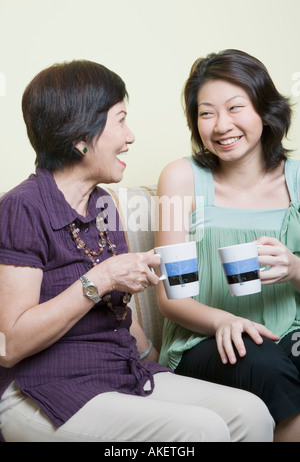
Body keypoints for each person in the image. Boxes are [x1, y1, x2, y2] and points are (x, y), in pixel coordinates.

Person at [0, 59, 274, 442]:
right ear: (82, 133)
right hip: (42, 390)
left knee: (251, 414)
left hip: (121, 372)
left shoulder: (104, 204)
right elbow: (9, 345)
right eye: (120, 120)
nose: (130, 136)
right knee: (202, 430)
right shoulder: (23, 206)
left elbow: (122, 314)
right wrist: (101, 277)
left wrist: (158, 359)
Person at [156, 49, 300, 442]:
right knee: (268, 366)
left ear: (265, 110)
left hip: (291, 330)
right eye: (206, 113)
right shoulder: (182, 179)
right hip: (206, 338)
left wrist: (294, 269)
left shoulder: (298, 179)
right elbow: (172, 298)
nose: (221, 126)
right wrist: (224, 320)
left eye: (235, 107)